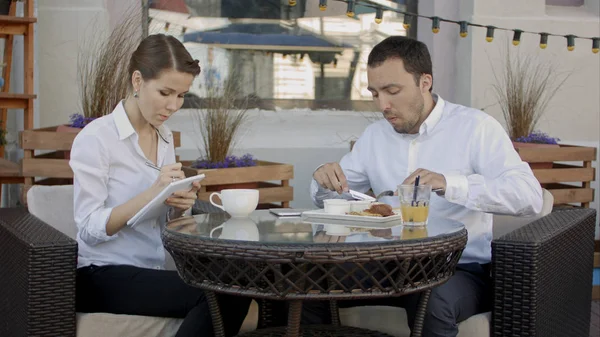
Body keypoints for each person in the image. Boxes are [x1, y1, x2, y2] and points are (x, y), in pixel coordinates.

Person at [305, 36, 543, 337]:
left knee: (432, 301)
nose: (383, 105)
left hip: (456, 268)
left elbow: (529, 196)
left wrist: (449, 184)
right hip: (385, 263)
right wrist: (321, 177)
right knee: (307, 279)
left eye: (392, 91)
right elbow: (331, 194)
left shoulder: (476, 128)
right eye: (375, 93)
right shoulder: (375, 136)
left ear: (425, 82)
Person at [70, 33, 250, 337]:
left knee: (238, 287)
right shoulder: (95, 139)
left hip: (151, 270)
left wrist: (179, 205)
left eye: (181, 95)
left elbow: (161, 221)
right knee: (220, 298)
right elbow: (89, 227)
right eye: (165, 92)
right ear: (138, 81)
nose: (173, 105)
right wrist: (154, 191)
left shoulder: (163, 136)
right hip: (100, 273)